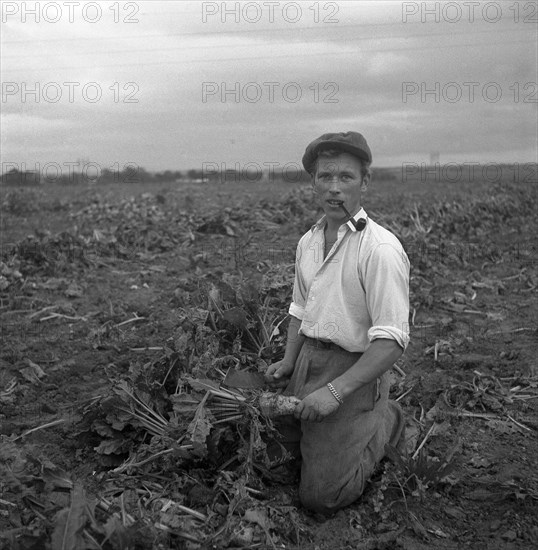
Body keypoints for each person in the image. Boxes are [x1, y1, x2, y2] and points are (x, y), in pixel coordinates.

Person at [265, 131, 410, 515]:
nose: (334, 188)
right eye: (325, 177)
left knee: (321, 497)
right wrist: (288, 360)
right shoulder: (307, 243)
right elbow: (299, 309)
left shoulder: (379, 250)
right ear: (313, 182)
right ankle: (340, 431)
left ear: (365, 182)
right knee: (270, 464)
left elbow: (392, 341)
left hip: (354, 371)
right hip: (309, 360)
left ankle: (386, 421)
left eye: (345, 177)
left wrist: (335, 392)